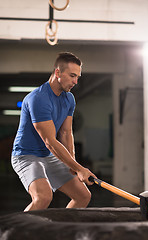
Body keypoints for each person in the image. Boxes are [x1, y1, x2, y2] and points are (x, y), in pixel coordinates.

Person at [11, 52, 96, 211]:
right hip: (26, 156)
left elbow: (65, 133)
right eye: (72, 76)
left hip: (49, 156)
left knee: (83, 196)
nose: (75, 81)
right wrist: (79, 168)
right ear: (58, 72)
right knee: (43, 197)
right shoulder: (38, 98)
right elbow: (50, 142)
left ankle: (62, 233)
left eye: (77, 77)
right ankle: (15, 233)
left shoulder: (69, 99)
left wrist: (73, 163)